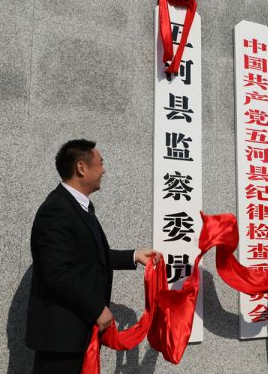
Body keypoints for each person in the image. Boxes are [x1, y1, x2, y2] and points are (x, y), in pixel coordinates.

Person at [25, 139, 162, 373]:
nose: (104, 170)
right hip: (61, 339)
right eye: (100, 163)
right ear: (81, 167)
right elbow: (57, 273)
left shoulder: (79, 206)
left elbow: (89, 256)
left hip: (76, 333)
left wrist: (134, 256)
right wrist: (97, 308)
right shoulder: (57, 210)